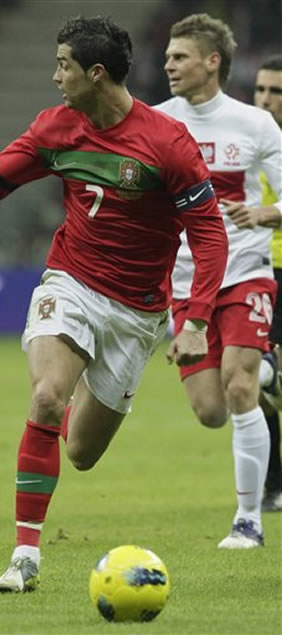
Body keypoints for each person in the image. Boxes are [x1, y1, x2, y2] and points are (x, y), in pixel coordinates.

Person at [0, 16, 227, 591]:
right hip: (70, 282)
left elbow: (208, 235)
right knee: (48, 397)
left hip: (137, 312)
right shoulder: (57, 128)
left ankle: (81, 398)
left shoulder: (166, 143)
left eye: (64, 66)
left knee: (79, 452)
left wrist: (197, 318)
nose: (55, 76)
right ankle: (25, 557)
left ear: (95, 73)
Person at [157, 14, 282, 548]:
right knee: (210, 411)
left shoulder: (255, 125)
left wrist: (263, 212)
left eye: (179, 56)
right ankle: (268, 380)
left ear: (213, 62)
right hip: (186, 283)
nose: (168, 65)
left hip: (247, 271)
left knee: (238, 386)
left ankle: (248, 519)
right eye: (167, 57)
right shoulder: (156, 123)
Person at [253, 55, 282, 511]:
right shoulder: (250, 140)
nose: (265, 100)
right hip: (259, 270)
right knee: (253, 383)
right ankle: (273, 482)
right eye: (260, 90)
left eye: (275, 92)